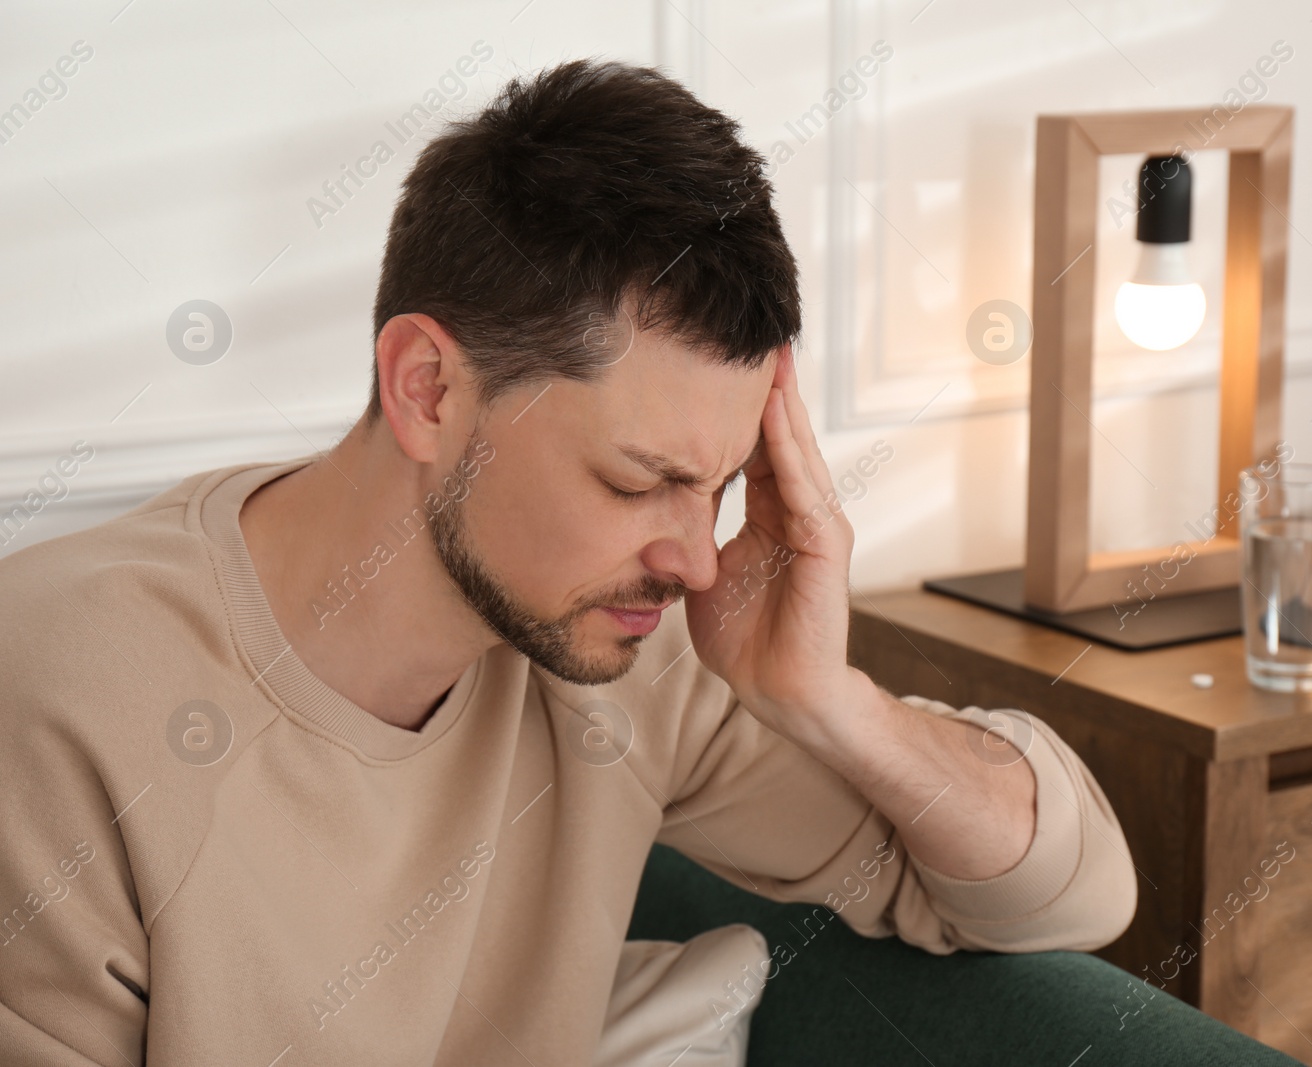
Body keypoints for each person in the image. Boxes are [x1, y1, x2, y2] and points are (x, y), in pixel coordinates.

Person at [0, 58, 1137, 1065]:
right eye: (639, 482)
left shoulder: (628, 662)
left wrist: (830, 702)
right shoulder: (61, 694)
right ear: (428, 390)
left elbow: (1066, 895)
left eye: (724, 486)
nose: (694, 559)